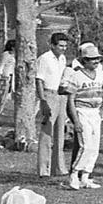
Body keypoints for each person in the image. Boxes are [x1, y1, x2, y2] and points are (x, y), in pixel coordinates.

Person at [61, 43, 103, 191]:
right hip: (82, 111)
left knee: (95, 146)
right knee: (85, 145)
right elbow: (70, 99)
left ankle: (86, 177)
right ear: (84, 60)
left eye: (97, 59)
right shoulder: (76, 75)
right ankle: (74, 174)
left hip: (95, 112)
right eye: (92, 59)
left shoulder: (101, 74)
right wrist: (75, 120)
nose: (95, 62)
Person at [35, 32, 71, 178]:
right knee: (46, 134)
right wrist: (43, 100)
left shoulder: (62, 58)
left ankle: (59, 167)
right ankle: (44, 170)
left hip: (61, 95)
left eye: (65, 46)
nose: (63, 49)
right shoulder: (44, 59)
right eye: (60, 46)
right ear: (53, 45)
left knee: (60, 133)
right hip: (49, 95)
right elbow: (39, 80)